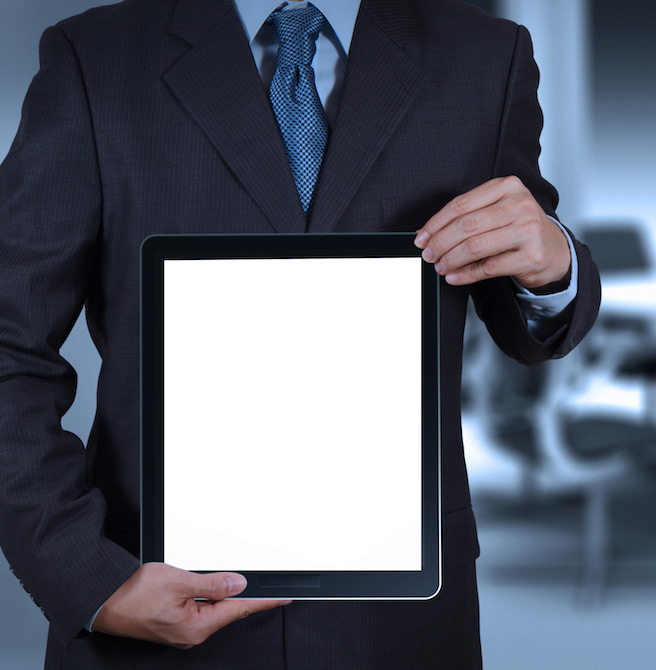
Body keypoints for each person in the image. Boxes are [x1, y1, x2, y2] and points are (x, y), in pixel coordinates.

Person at [0, 0, 601, 667]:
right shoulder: (95, 58)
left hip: (399, 629)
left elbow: (523, 313)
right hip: (147, 602)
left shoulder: (487, 59)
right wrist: (89, 578)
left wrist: (556, 267)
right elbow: (7, 342)